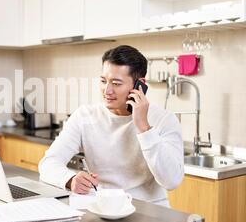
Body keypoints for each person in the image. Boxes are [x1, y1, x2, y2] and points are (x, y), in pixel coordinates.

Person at [38, 45, 184, 207]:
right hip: (103, 207)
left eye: (116, 83)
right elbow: (48, 163)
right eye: (103, 81)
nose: (107, 91)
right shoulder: (85, 116)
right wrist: (69, 179)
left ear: (139, 85)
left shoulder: (163, 120)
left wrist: (144, 128)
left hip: (150, 210)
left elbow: (172, 181)